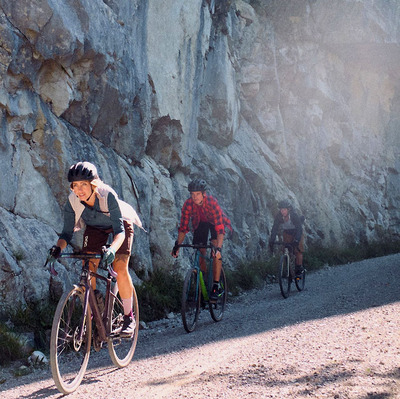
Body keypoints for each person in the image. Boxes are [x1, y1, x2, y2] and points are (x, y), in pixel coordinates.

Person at [48, 161, 136, 337]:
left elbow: (119, 233)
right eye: (75, 185)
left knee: (119, 267)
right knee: (88, 266)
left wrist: (111, 250)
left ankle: (129, 317)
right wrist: (57, 249)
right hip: (95, 227)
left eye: (84, 185)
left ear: (93, 184)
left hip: (121, 225)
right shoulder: (73, 201)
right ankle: (97, 311)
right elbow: (66, 234)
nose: (79, 189)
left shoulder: (107, 195)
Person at [171, 178, 231, 301]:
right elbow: (183, 228)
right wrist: (177, 245)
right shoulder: (188, 204)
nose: (195, 197)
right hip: (200, 223)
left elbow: (220, 229)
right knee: (199, 250)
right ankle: (202, 281)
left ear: (203, 194)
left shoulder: (212, 202)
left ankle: (215, 285)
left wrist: (218, 248)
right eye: (193, 194)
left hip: (215, 223)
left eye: (198, 194)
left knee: (215, 251)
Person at [269, 199, 305, 275]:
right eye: (281, 210)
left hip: (297, 232)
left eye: (284, 209)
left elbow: (299, 229)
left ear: (288, 209)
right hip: (287, 233)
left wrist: (297, 240)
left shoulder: (293, 216)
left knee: (298, 250)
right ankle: (288, 266)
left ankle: (299, 267)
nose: (282, 211)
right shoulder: (279, 216)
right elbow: (274, 228)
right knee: (285, 249)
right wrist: (272, 240)